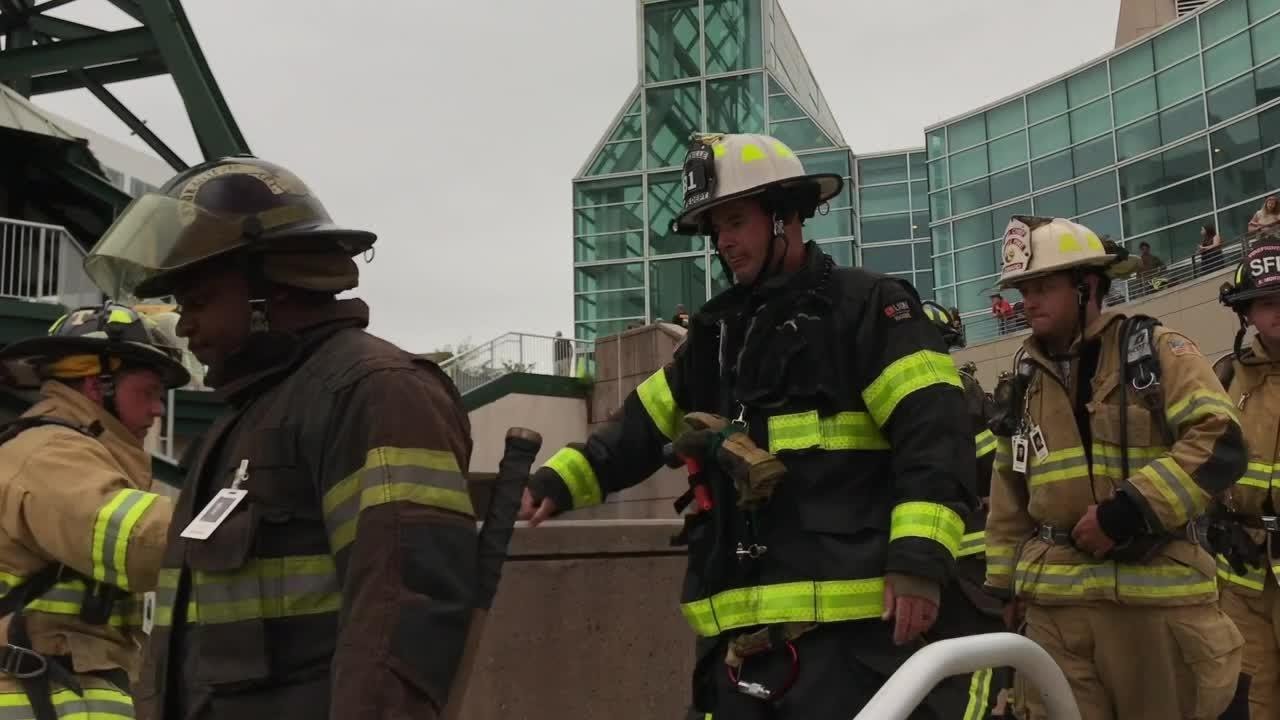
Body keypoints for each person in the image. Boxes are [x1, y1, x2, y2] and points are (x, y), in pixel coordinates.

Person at [520, 132, 977, 719]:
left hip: (848, 648)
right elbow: (639, 428)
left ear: (785, 214)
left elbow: (935, 436)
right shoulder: (716, 336)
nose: (725, 242)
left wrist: (918, 562)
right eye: (716, 230)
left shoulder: (869, 308)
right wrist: (559, 481)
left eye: (735, 221)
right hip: (737, 655)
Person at [80, 156, 480, 720]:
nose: (185, 326)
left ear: (274, 288)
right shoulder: (242, 421)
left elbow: (399, 611)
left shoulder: (375, 393)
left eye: (197, 302)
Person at [985, 215, 1246, 720]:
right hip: (1053, 611)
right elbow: (1008, 488)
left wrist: (1127, 512)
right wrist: (1004, 588)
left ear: (1087, 286)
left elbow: (1221, 439)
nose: (1027, 301)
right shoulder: (1022, 381)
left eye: (1042, 286)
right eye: (1022, 289)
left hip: (1152, 605)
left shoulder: (1156, 352)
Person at [0, 303, 190, 720]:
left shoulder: (83, 453)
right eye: (148, 392)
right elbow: (138, 542)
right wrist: (231, 518)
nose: (158, 410)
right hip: (38, 696)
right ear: (95, 383)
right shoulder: (51, 454)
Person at [920, 301, 1009, 718]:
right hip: (969, 560)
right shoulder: (963, 392)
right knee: (984, 658)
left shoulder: (877, 400)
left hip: (911, 560)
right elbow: (996, 471)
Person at [1211, 241, 1280, 718]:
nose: (1278, 313)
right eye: (1267, 303)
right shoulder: (1227, 378)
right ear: (1247, 313)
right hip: (1242, 571)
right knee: (1250, 695)